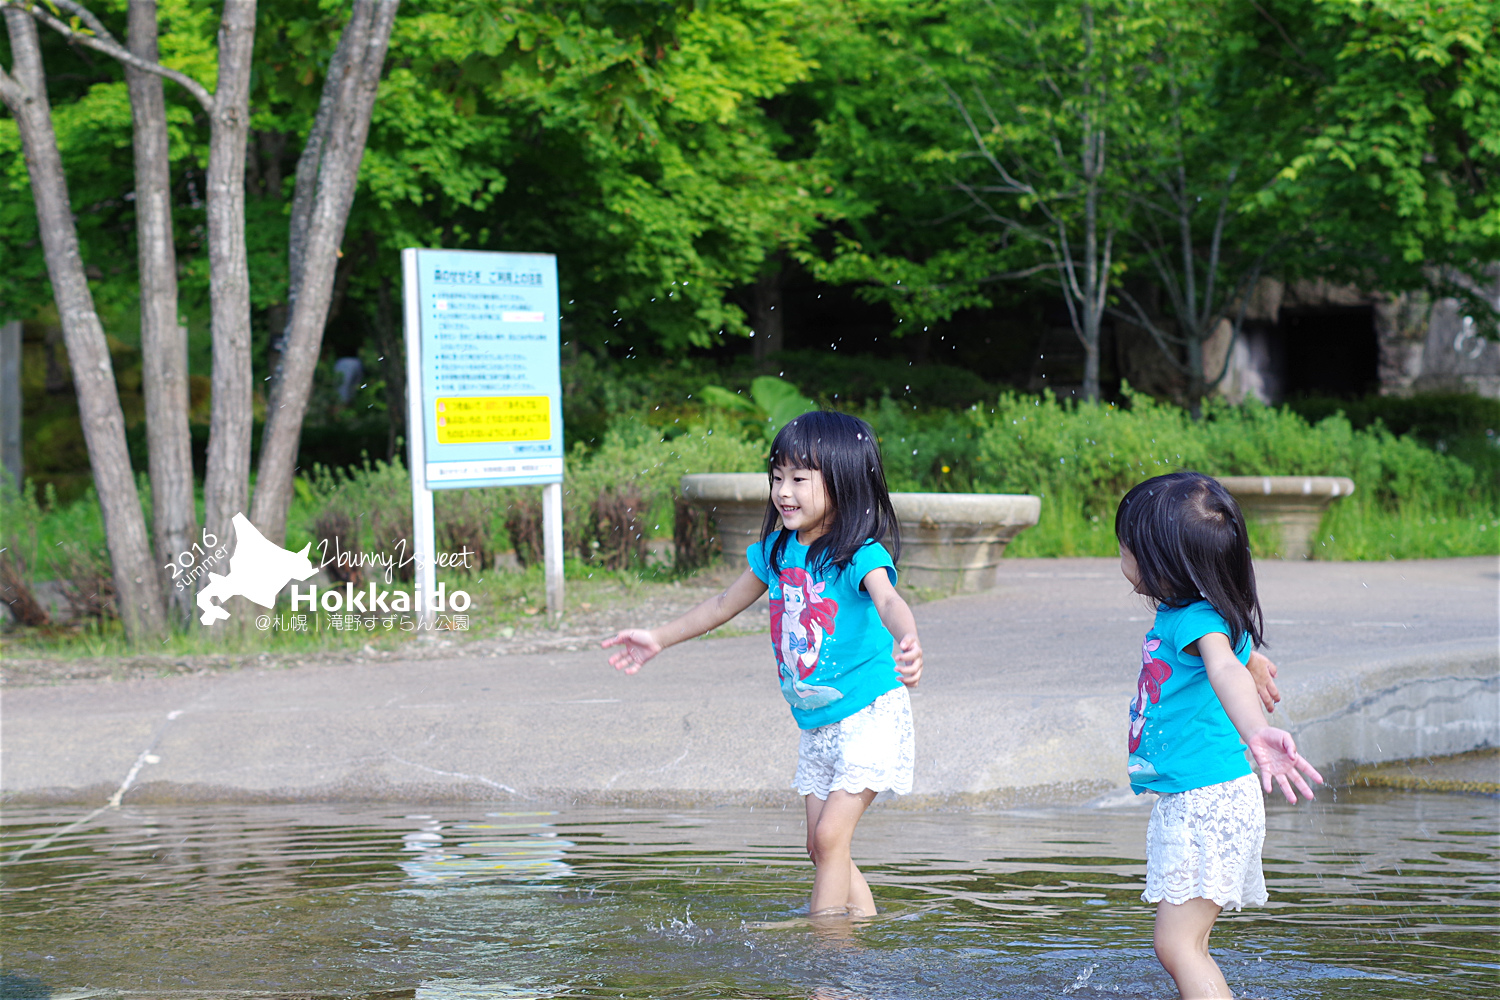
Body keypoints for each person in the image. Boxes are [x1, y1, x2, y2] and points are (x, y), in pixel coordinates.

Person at [602, 410, 922, 918]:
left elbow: (888, 602)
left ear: (841, 483)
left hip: (870, 712)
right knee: (820, 848)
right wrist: (658, 638)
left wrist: (908, 638)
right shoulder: (776, 552)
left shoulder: (858, 554)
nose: (783, 491)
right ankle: (863, 931)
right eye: (777, 478)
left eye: (799, 479)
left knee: (831, 834)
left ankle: (825, 957)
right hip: (819, 723)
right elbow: (722, 604)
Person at [1116, 471, 1324, 999]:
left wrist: (1257, 730)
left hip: (1205, 803)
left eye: (1128, 549)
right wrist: (1251, 656)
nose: (1122, 559)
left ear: (1167, 563)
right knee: (1189, 944)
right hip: (1204, 798)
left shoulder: (1199, 622)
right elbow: (1234, 656)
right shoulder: (1193, 610)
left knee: (1177, 946)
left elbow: (1222, 669)